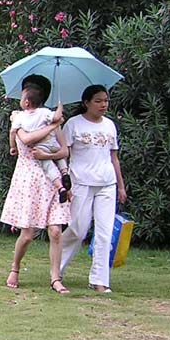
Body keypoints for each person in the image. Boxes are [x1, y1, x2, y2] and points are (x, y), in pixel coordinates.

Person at [0, 75, 72, 294]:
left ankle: (55, 278)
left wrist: (48, 153)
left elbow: (64, 150)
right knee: (28, 233)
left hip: (52, 181)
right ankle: (15, 267)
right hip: (29, 179)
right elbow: (27, 140)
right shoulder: (19, 118)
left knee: (56, 231)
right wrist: (53, 126)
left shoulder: (48, 118)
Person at [60, 84, 127, 293]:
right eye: (98, 101)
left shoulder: (109, 126)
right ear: (86, 103)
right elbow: (63, 153)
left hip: (107, 184)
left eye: (105, 100)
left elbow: (113, 157)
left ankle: (99, 280)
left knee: (105, 233)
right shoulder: (73, 124)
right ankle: (57, 269)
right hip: (81, 182)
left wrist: (121, 186)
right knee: (78, 229)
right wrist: (65, 181)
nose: (103, 105)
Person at [9, 86, 72, 203]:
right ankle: (64, 173)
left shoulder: (20, 118)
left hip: (34, 175)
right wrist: (59, 107)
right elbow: (27, 139)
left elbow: (65, 152)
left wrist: (12, 146)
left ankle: (61, 186)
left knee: (31, 215)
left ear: (26, 102)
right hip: (34, 172)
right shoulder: (46, 114)